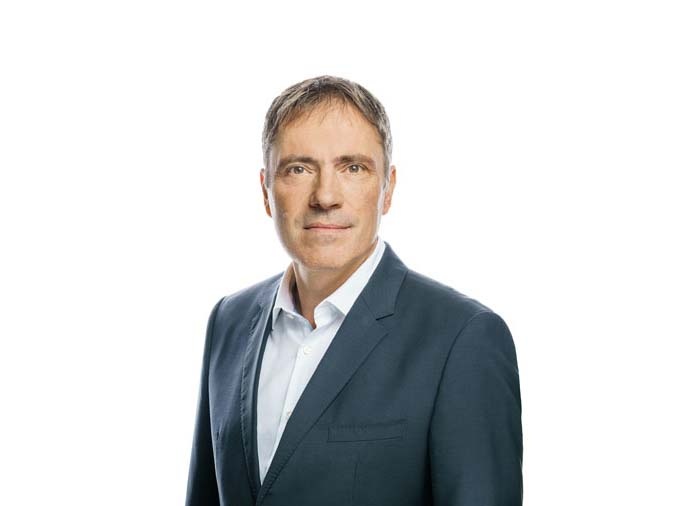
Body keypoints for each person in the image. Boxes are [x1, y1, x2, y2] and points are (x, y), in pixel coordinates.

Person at [185, 75, 523, 506]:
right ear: (266, 190)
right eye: (299, 168)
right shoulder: (229, 321)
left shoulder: (463, 338)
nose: (325, 196)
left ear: (387, 189)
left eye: (353, 168)